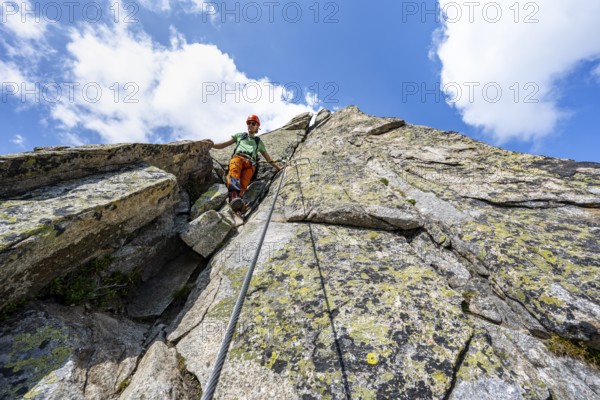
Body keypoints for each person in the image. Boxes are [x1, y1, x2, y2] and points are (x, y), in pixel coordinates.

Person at [205, 114, 283, 211]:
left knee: (244, 184)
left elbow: (268, 158)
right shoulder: (240, 136)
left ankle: (238, 206)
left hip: (250, 164)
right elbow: (224, 145)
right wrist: (213, 145)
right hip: (238, 157)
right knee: (234, 173)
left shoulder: (259, 142)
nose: (250, 125)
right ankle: (234, 197)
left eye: (253, 123)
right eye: (249, 123)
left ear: (257, 126)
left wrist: (278, 167)